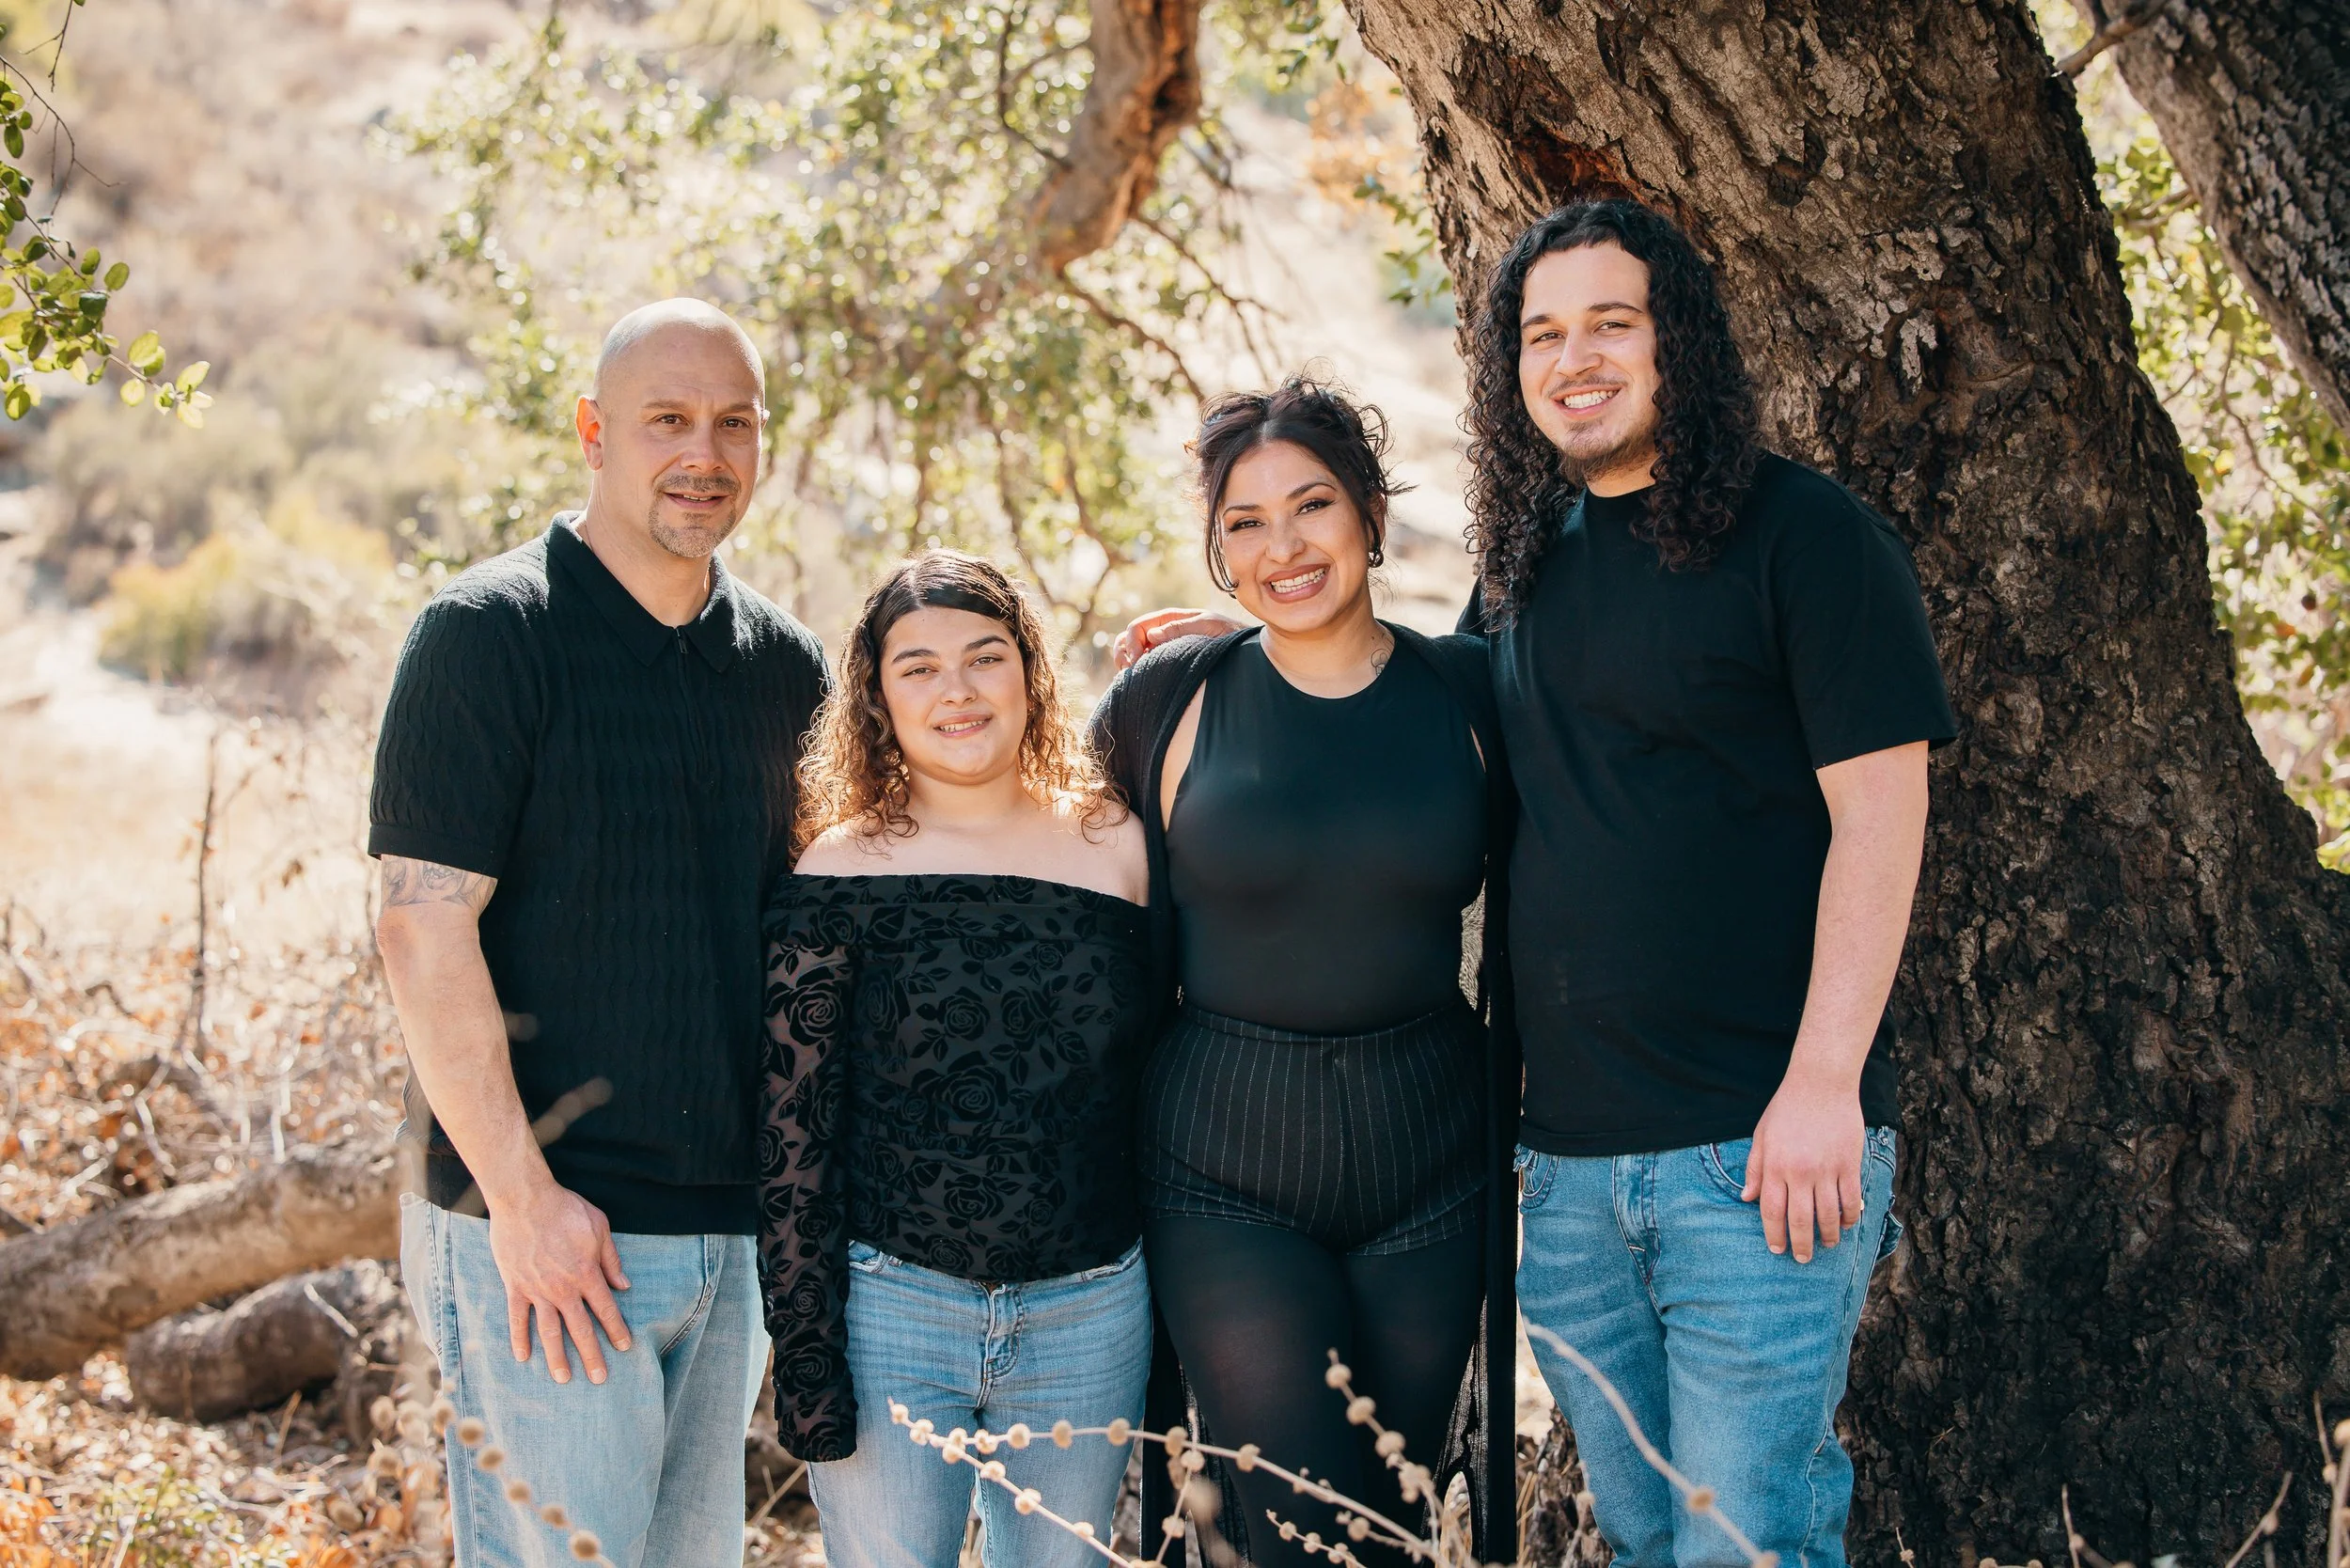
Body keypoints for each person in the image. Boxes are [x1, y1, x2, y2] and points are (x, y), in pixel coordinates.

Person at [1121, 199, 1958, 1567]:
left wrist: (1823, 1087)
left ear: (1674, 339)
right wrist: (1256, 636)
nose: (1575, 358)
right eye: (1542, 333)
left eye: (1610, 324)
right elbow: (1389, 705)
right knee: (1641, 1539)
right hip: (1563, 1172)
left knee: (1747, 1541)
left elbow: (1884, 815)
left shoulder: (1804, 537)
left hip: (1759, 1151)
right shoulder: (1526, 563)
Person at [371, 299, 829, 1566]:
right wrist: (524, 1203)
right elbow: (419, 926)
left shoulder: (785, 667)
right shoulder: (489, 635)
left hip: (723, 1233)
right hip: (543, 1232)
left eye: (735, 423)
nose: (706, 453)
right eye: (667, 420)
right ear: (592, 432)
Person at [1090, 378, 1516, 1568]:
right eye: (1244, 522)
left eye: (1312, 506)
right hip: (1224, 1167)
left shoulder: (1471, 693)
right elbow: (1059, 882)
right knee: (1289, 1530)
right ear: (1216, 548)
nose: (1282, 547)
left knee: (1387, 1525)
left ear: (1372, 514)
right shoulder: (1166, 701)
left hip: (1434, 1162)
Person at [758, 550, 1155, 1568]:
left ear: (1030, 672)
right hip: (892, 1307)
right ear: (877, 698)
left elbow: (1168, 1077)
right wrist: (808, 1362)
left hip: (1091, 1310)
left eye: (985, 657)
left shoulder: (1115, 846)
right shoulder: (841, 865)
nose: (958, 691)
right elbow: (794, 1133)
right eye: (919, 667)